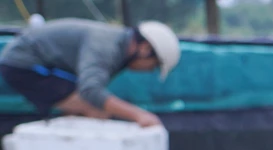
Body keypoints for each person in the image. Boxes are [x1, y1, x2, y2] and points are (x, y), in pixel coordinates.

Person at [0, 19, 179, 128]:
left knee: (87, 109)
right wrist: (140, 115)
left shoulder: (118, 47)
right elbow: (90, 90)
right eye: (153, 65)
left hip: (37, 66)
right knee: (95, 109)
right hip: (24, 65)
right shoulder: (107, 46)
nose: (149, 71)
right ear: (145, 49)